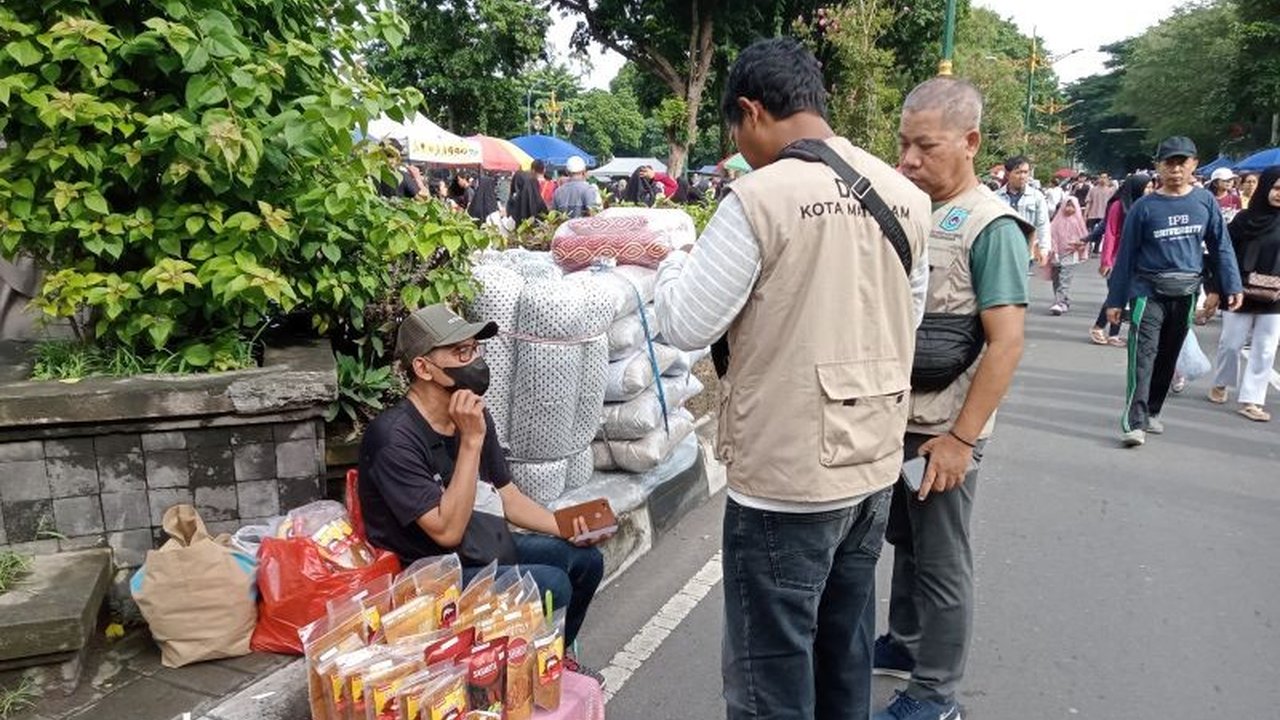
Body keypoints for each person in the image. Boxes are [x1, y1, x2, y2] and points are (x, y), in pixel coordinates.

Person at [653, 38, 930, 720]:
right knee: (842, 657)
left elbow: (687, 323)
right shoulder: (905, 196)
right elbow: (910, 315)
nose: (740, 146)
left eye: (736, 131)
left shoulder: (759, 198)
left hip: (788, 480)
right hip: (870, 467)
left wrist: (668, 264)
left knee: (769, 678)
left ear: (751, 111)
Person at [874, 76, 1031, 720]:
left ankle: (936, 694)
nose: (909, 160)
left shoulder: (992, 227)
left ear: (969, 142)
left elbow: (1007, 343)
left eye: (926, 146)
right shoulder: (914, 207)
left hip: (944, 429)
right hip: (901, 419)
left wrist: (961, 439)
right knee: (907, 544)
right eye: (905, 144)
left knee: (942, 561)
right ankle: (905, 645)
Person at [357, 304, 609, 649]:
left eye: (475, 349)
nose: (474, 362)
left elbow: (507, 496)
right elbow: (446, 532)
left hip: (479, 546)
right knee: (551, 584)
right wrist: (470, 442)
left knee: (585, 562)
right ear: (423, 367)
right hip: (428, 575)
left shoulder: (474, 414)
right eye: (461, 352)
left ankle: (553, 660)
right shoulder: (393, 438)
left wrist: (569, 527)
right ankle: (530, 669)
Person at [1105, 136, 1243, 447]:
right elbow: (1126, 256)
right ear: (1158, 166)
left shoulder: (1205, 202)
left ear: (1194, 164)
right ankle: (1134, 422)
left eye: (1182, 162)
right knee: (1143, 356)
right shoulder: (1144, 207)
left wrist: (1231, 284)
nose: (1176, 168)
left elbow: (1221, 246)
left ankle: (1152, 410)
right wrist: (1116, 300)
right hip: (1147, 292)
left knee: (1168, 356)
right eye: (1169, 162)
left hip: (1186, 292)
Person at [1208, 165, 1280, 421]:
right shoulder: (1244, 220)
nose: (1279, 194)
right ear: (1265, 189)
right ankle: (1222, 382)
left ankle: (1252, 399)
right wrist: (1216, 289)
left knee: (1265, 348)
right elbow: (1224, 256)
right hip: (1239, 291)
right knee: (1231, 343)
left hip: (1275, 296)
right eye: (1275, 187)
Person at [1091, 174, 1154, 345]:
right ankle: (1098, 327)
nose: (1150, 190)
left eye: (1151, 186)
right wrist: (1106, 261)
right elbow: (1110, 233)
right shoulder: (1118, 205)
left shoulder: (1144, 205)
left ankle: (1113, 334)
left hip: (1136, 259)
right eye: (1146, 187)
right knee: (1116, 295)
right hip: (1117, 258)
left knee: (1125, 295)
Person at [995, 155, 1052, 265]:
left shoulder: (1036, 197)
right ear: (1007, 174)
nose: (1022, 176)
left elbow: (1043, 224)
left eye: (1025, 172)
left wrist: (1044, 250)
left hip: (1025, 252)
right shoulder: (996, 198)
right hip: (1001, 252)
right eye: (1018, 172)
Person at [1047, 196, 1089, 315]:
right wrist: (1053, 250)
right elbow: (1051, 236)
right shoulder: (1056, 221)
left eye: (1072, 206)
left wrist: (1079, 247)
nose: (1069, 209)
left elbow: (1084, 239)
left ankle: (1059, 303)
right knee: (1056, 279)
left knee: (1065, 278)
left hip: (1071, 254)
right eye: (1067, 205)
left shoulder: (1078, 222)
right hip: (1056, 253)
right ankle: (1063, 301)